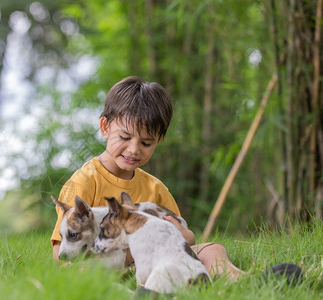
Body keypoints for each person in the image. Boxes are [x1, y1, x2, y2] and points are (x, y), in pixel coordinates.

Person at [50, 76, 297, 282]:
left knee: (212, 249)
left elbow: (187, 238)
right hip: (104, 270)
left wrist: (179, 232)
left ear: (159, 140)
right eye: (125, 137)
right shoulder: (84, 182)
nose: (134, 149)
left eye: (146, 142)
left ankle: (246, 282)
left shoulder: (154, 188)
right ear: (105, 127)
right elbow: (60, 252)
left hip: (156, 263)